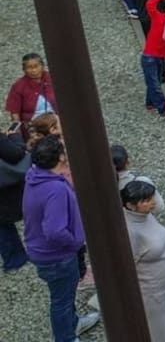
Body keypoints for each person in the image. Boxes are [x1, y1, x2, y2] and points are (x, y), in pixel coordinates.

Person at [23, 135, 101, 342]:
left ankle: (73, 323)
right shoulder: (55, 189)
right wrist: (76, 242)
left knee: (64, 296)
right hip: (57, 257)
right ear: (59, 158)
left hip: (43, 252)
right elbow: (55, 231)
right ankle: (66, 337)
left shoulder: (34, 175)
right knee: (62, 301)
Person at [121, 180, 165, 342]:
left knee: (163, 324)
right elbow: (125, 266)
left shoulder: (145, 215)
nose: (153, 202)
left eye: (152, 197)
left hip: (159, 287)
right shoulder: (130, 231)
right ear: (131, 205)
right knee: (157, 331)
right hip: (148, 291)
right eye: (146, 200)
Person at [6, 53, 56, 139]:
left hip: (56, 120)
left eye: (36, 66)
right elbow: (14, 112)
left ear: (42, 66)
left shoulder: (53, 78)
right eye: (29, 68)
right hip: (33, 124)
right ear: (24, 69)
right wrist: (17, 132)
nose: (33, 70)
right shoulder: (18, 86)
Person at [0, 124, 27, 272]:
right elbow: (16, 154)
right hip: (7, 190)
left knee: (3, 228)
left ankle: (13, 259)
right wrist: (13, 136)